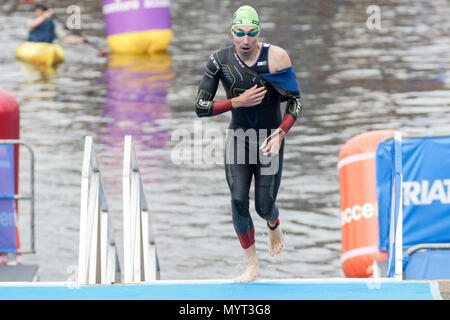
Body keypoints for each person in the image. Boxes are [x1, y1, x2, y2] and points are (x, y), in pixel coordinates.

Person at [194, 5, 302, 283]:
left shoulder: (276, 58)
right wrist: (235, 102)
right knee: (238, 200)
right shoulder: (219, 61)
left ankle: (273, 224)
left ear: (258, 32)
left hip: (269, 139)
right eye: (239, 33)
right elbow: (201, 107)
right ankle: (253, 265)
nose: (245, 40)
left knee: (264, 206)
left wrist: (281, 133)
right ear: (232, 32)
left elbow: (296, 102)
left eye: (251, 33)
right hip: (239, 137)